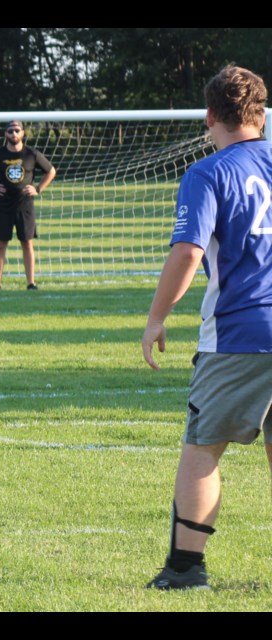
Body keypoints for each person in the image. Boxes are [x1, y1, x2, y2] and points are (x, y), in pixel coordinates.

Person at [141, 64, 272, 591]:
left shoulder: (208, 173)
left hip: (241, 333)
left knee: (202, 446)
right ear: (260, 115)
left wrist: (156, 318)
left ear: (209, 116)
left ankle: (185, 570)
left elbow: (189, 251)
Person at [0, 120, 56, 291]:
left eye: (17, 131)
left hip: (25, 205)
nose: (14, 134)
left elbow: (51, 171)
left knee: (27, 243)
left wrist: (38, 189)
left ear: (23, 133)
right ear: (6, 134)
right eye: (10, 131)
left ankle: (31, 283)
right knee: (1, 244)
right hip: (4, 205)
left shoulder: (31, 154)